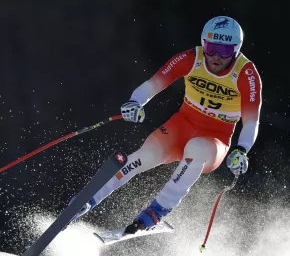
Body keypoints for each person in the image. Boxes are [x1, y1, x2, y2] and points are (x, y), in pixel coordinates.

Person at [70, 16, 262, 234]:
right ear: (203, 43)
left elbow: (251, 121)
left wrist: (241, 150)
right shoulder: (192, 58)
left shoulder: (246, 74)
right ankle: (88, 199)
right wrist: (135, 102)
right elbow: (154, 83)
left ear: (236, 50)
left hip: (215, 139)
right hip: (182, 125)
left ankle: (157, 210)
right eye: (211, 48)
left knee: (196, 149)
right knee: (146, 155)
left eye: (225, 51)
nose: (216, 57)